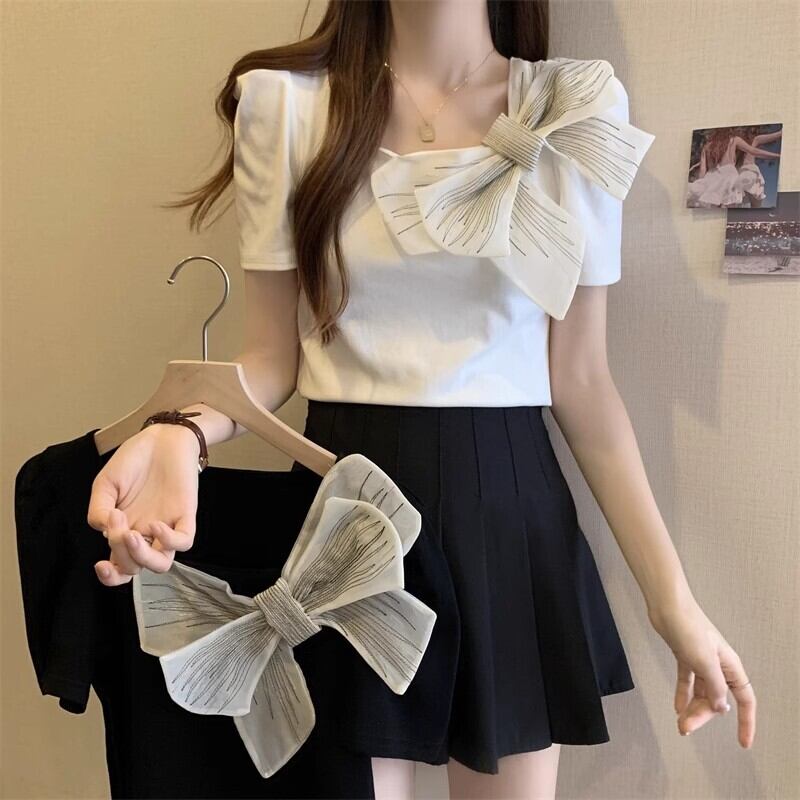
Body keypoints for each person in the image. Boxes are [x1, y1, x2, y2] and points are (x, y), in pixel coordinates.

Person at [87, 2, 757, 798]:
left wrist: (672, 604)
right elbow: (270, 360)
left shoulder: (574, 106)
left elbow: (581, 381)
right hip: (344, 521)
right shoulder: (286, 105)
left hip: (508, 521)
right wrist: (182, 433)